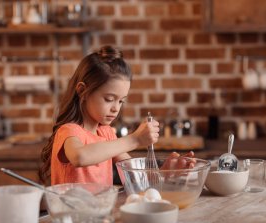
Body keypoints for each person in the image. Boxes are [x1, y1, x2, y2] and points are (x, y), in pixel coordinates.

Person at [39, 45, 194, 186]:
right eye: (109, 99)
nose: (116, 108)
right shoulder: (69, 131)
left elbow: (137, 176)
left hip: (100, 215)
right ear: (82, 91)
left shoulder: (106, 133)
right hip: (71, 216)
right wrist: (135, 139)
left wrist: (165, 174)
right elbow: (80, 157)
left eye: (121, 101)